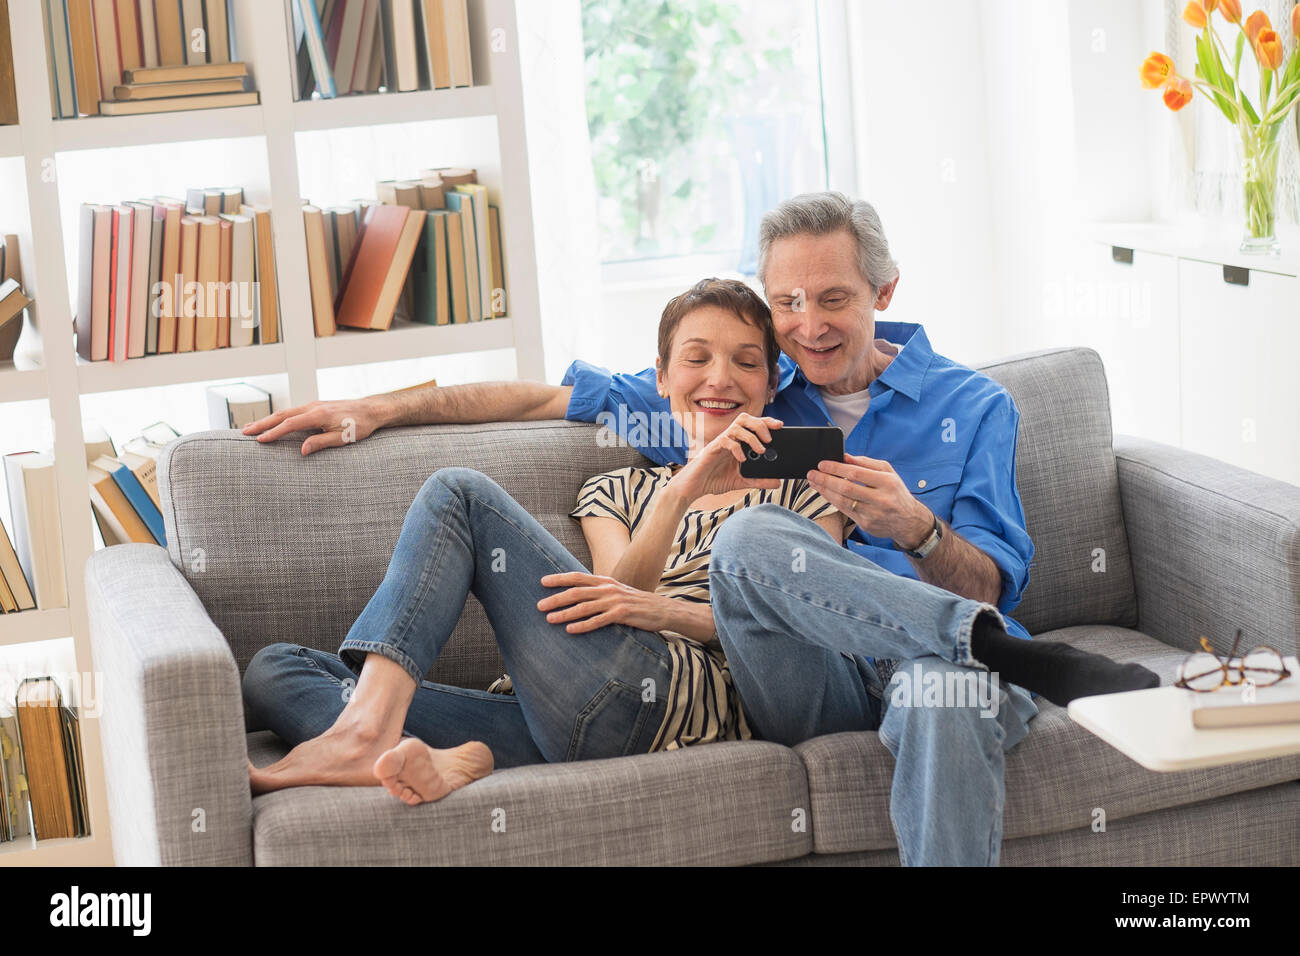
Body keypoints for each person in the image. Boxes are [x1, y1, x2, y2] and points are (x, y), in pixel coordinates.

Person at [243, 192, 1158, 864]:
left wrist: (919, 530)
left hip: (927, 656)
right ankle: (1007, 654)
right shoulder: (752, 396)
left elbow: (993, 577)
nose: (807, 326)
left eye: (831, 300)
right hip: (800, 678)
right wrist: (378, 407)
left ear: (883, 288)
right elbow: (534, 394)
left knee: (937, 696)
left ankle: (993, 654)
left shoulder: (975, 406)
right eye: (787, 304)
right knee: (278, 671)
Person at [241, 279, 848, 804]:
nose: (720, 378)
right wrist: (679, 492)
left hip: (669, 700)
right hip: (557, 710)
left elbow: (805, 636)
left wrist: (667, 609)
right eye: (697, 359)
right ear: (661, 379)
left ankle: (366, 735)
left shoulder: (804, 493)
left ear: (772, 385)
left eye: (746, 363)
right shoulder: (617, 489)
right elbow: (617, 597)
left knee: (459, 494)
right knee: (275, 673)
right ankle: (457, 759)